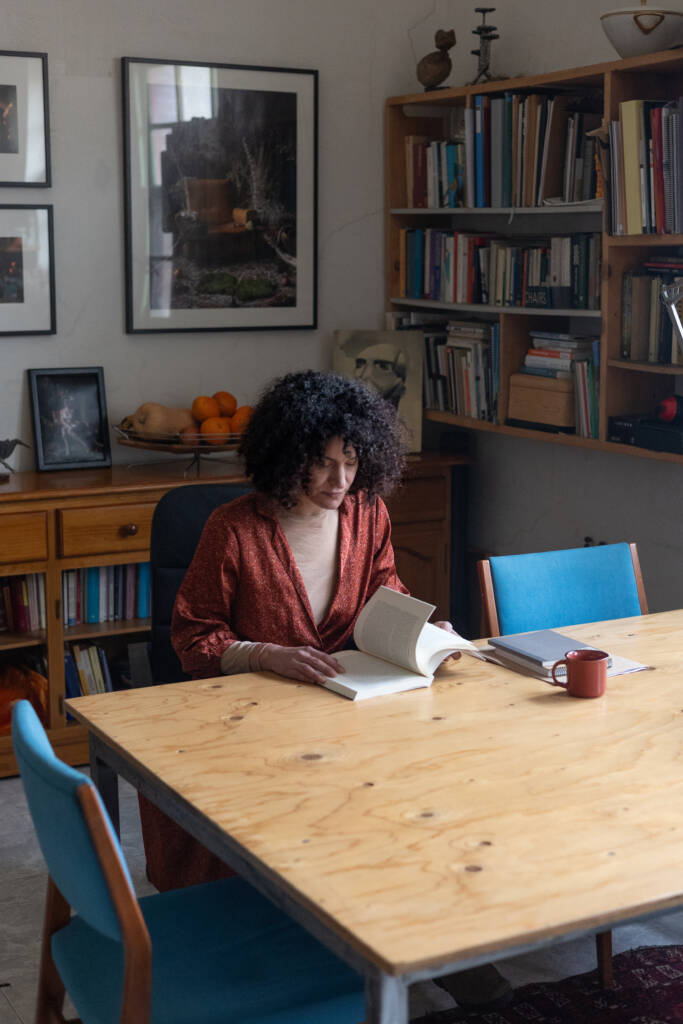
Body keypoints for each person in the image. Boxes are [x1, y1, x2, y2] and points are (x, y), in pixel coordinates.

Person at [139, 369, 511, 1012]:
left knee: (435, 799)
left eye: (352, 461)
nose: (341, 482)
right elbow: (193, 636)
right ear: (287, 456)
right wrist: (264, 654)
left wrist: (425, 630)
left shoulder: (369, 513)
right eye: (322, 464)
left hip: (357, 712)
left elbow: (384, 598)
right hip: (257, 730)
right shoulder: (233, 529)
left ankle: (430, 945)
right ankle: (291, 947)